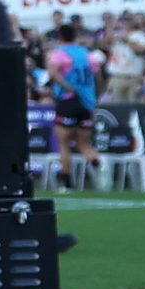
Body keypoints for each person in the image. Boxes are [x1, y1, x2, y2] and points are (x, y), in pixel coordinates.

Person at [46, 19, 101, 187]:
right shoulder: (87, 54)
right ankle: (96, 161)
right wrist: (95, 96)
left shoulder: (59, 54)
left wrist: (68, 87)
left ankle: (67, 178)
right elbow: (98, 76)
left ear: (60, 37)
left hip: (68, 101)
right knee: (83, 143)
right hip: (86, 103)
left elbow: (53, 73)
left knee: (64, 143)